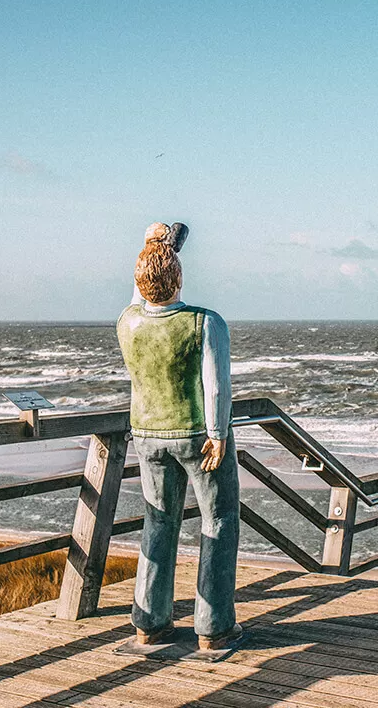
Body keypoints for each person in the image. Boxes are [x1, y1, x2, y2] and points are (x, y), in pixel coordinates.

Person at [116, 222, 241, 650]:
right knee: (219, 521)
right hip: (196, 435)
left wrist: (153, 244)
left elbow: (140, 292)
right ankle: (214, 626)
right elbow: (216, 385)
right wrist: (219, 433)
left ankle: (149, 622)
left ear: (137, 279)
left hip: (147, 435)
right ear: (180, 277)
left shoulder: (128, 322)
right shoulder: (205, 322)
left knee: (158, 520)